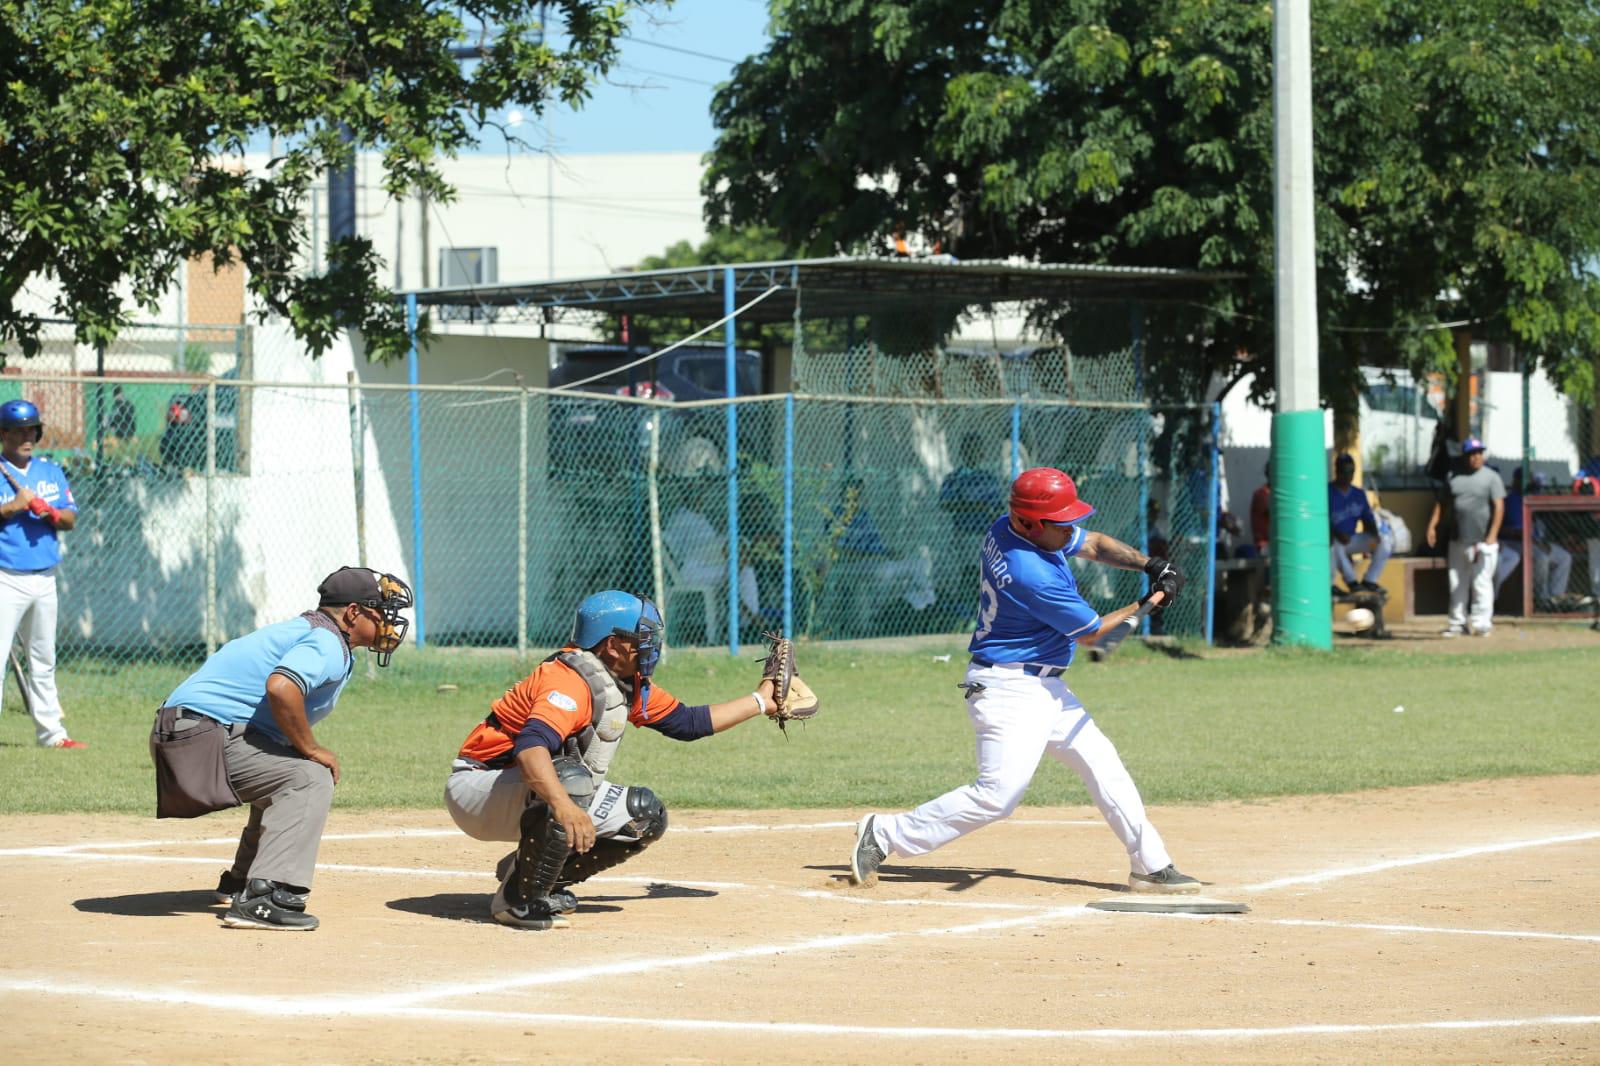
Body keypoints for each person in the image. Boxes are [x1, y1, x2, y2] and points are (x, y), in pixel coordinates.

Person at [847, 467, 1202, 894]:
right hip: (1008, 690)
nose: (1071, 527)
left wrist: (1151, 564)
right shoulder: (1028, 571)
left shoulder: (1014, 526)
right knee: (998, 796)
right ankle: (883, 833)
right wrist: (1147, 602)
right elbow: (1092, 634)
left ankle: (1151, 864)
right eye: (1062, 521)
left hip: (1044, 687)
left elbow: (1093, 543)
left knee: (1104, 766)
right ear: (1031, 524)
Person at [444, 590, 782, 930]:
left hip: (524, 789)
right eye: (642, 639)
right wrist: (563, 806)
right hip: (479, 787)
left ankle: (532, 876)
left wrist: (761, 701)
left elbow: (688, 723)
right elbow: (531, 750)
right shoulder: (570, 682)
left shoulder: (620, 682)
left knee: (644, 815)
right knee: (571, 780)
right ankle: (517, 901)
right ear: (611, 645)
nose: (651, 647)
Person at [154, 566, 413, 930]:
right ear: (353, 612)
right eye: (381, 612)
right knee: (309, 777)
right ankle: (265, 897)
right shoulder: (325, 642)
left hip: (189, 731)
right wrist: (310, 747)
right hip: (198, 737)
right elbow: (281, 688)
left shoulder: (310, 632)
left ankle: (242, 881)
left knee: (285, 767)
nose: (390, 622)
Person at [0, 400, 82, 748]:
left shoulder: (50, 472)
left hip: (45, 577)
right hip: (6, 576)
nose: (27, 436)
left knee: (43, 658)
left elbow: (70, 520)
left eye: (31, 429)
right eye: (19, 430)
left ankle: (51, 735)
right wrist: (12, 508)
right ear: (3, 434)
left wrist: (46, 510)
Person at [1426, 437, 1505, 636]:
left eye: (1479, 453)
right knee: (1456, 582)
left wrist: (1492, 535)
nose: (1476, 458)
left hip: (1482, 540)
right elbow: (1442, 503)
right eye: (1471, 454)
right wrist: (1432, 526)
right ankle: (1457, 623)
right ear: (1465, 456)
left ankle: (1481, 623)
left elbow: (1499, 507)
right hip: (1458, 538)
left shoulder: (1491, 477)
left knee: (1481, 582)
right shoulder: (1453, 477)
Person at [1493, 470, 1572, 606]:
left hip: (1536, 542)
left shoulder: (1534, 498)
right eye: (1521, 479)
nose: (1525, 483)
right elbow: (1512, 531)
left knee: (1565, 557)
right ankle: (1542, 599)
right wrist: (1534, 541)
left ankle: (1556, 597)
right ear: (1515, 481)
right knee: (1541, 557)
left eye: (1527, 480)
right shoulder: (1510, 500)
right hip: (1514, 543)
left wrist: (1541, 542)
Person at [1328, 453, 1393, 594]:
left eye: (1351, 471)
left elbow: (1368, 519)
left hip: (1352, 541)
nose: (1348, 475)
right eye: (1344, 471)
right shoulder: (1327, 492)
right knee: (1334, 545)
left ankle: (1370, 580)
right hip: (1335, 541)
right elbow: (1320, 522)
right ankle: (1351, 582)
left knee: (1385, 540)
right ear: (1337, 471)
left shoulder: (1358, 494)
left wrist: (1375, 535)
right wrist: (1337, 534)